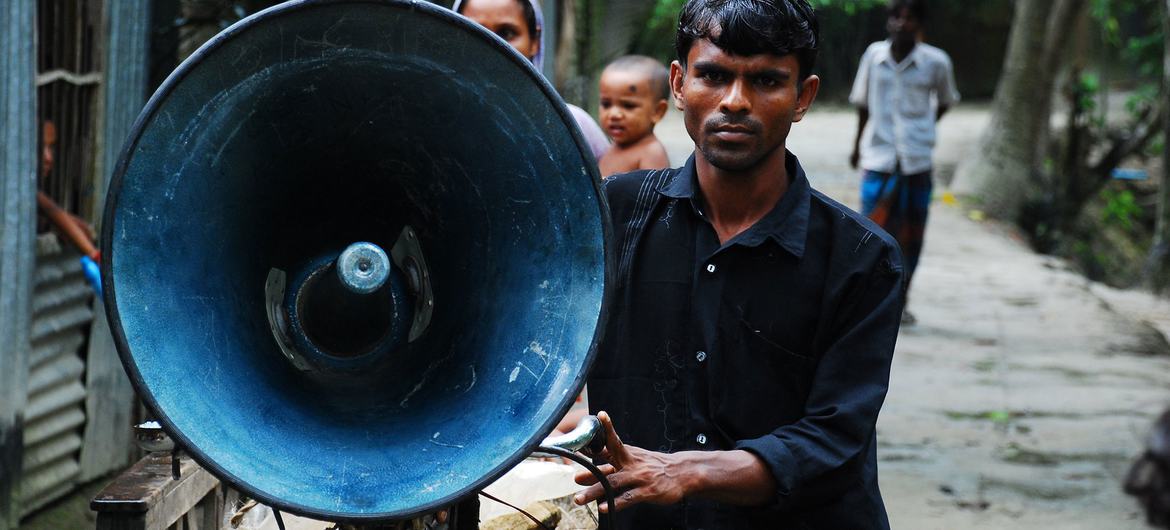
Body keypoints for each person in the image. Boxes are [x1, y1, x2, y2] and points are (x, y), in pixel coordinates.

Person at [573, 1, 905, 528]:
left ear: (804, 97)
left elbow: (833, 436)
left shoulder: (861, 258)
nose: (735, 101)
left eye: (767, 81)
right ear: (679, 84)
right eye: (714, 75)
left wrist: (685, 472)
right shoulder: (610, 216)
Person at [848, 0, 959, 324]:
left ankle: (902, 300)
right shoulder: (874, 57)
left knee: (911, 235)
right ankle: (869, 300)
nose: (901, 23)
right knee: (870, 232)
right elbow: (863, 104)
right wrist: (856, 146)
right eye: (896, 16)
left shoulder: (935, 62)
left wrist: (922, 129)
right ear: (889, 21)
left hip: (916, 162)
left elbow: (946, 101)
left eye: (909, 18)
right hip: (878, 158)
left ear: (920, 24)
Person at [453, 0, 610, 161]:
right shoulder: (437, 123)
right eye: (474, 32)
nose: (492, 45)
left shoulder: (573, 125)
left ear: (534, 41)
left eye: (506, 33)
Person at [597, 55, 671, 177]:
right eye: (606, 104)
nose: (614, 114)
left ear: (657, 111)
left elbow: (654, 195)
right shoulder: (612, 148)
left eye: (628, 106)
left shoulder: (651, 153)